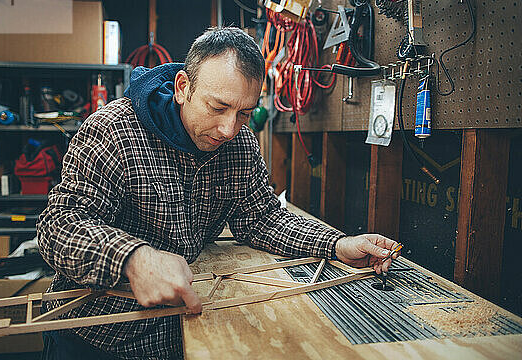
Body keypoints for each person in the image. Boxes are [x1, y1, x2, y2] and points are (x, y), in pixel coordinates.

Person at [37, 27, 400, 360]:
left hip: (176, 336)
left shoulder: (240, 143)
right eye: (217, 107)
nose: (229, 129)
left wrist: (337, 245)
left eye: (244, 113)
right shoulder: (113, 130)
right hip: (95, 336)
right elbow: (59, 227)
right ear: (183, 87)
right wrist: (133, 259)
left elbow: (262, 219)